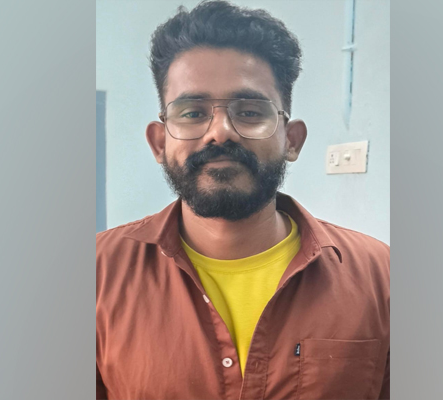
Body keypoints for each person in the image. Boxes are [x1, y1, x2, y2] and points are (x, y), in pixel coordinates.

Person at [96, 1, 389, 399]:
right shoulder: (97, 275)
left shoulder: (380, 278)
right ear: (159, 142)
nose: (220, 132)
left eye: (250, 112)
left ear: (292, 140)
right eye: (192, 112)